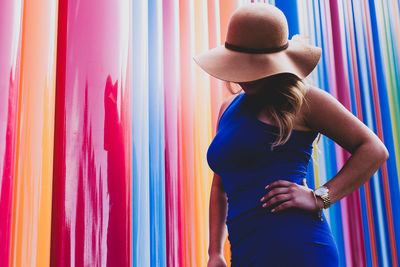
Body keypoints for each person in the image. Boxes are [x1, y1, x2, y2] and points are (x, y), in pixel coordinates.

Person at [193, 3, 389, 267]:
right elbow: (220, 186)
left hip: (298, 248)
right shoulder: (227, 108)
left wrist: (320, 197)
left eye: (256, 65)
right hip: (244, 253)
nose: (245, 76)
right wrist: (214, 252)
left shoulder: (304, 100)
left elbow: (374, 149)